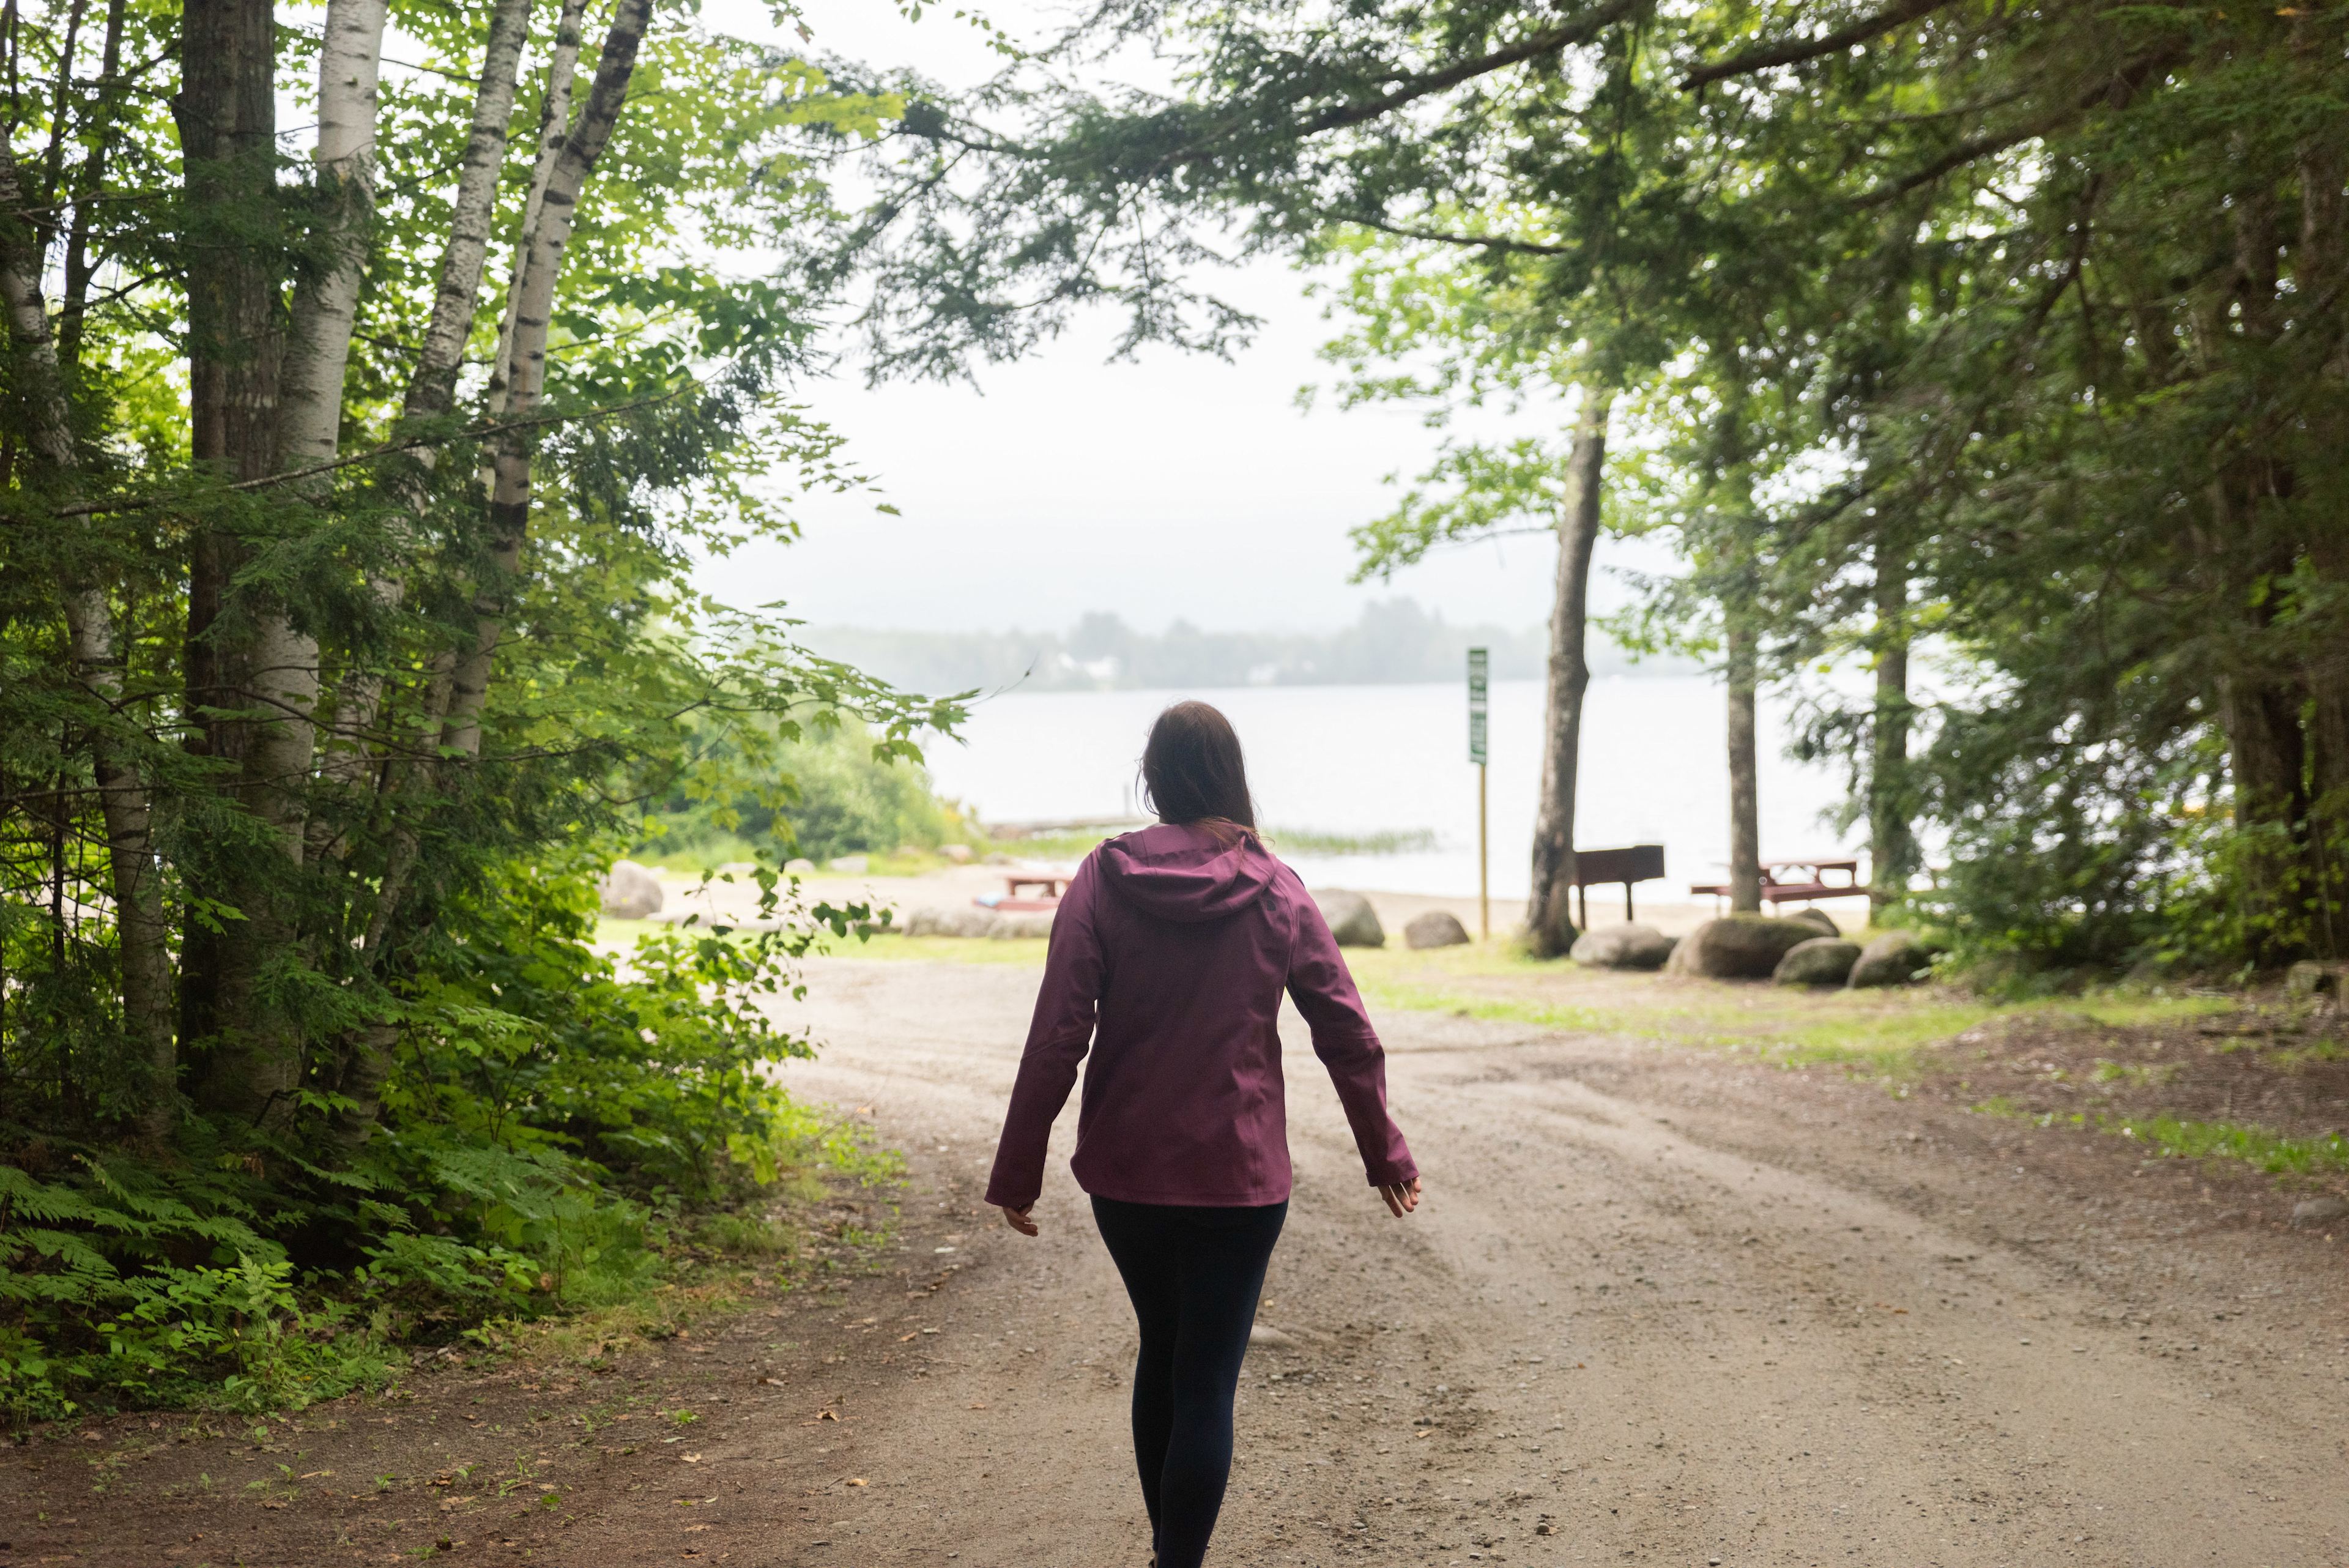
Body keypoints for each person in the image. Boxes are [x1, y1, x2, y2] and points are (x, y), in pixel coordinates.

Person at [984, 699, 1424, 1568]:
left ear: (1153, 779)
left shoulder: (1103, 878)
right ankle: (1175, 1563)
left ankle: (1169, 1559)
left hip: (1128, 1171)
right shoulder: (1277, 886)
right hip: (1240, 1176)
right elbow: (1345, 1030)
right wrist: (1385, 1153)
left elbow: (1058, 1031)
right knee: (1207, 1375)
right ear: (1233, 778)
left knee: (1165, 1346)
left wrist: (1018, 1170)